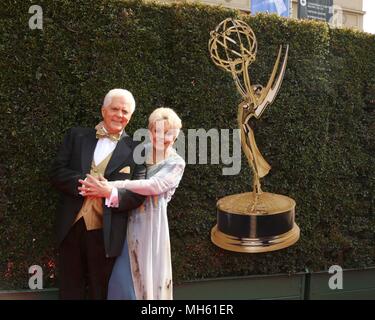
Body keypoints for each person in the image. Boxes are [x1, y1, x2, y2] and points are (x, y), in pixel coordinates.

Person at [79, 107, 185, 300]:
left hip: (151, 228)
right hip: (122, 221)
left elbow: (153, 185)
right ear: (150, 131)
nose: (161, 137)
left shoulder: (176, 163)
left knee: (146, 283)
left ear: (176, 134)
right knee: (119, 282)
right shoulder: (138, 151)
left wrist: (110, 186)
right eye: (156, 131)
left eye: (168, 132)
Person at [50, 89, 146, 299]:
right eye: (115, 109)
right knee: (69, 290)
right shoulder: (76, 136)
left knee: (100, 292)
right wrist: (83, 183)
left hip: (107, 232)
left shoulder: (137, 149)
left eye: (125, 111)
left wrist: (109, 192)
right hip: (71, 226)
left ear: (130, 117)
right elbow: (57, 171)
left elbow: (138, 193)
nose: (120, 115)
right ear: (103, 110)